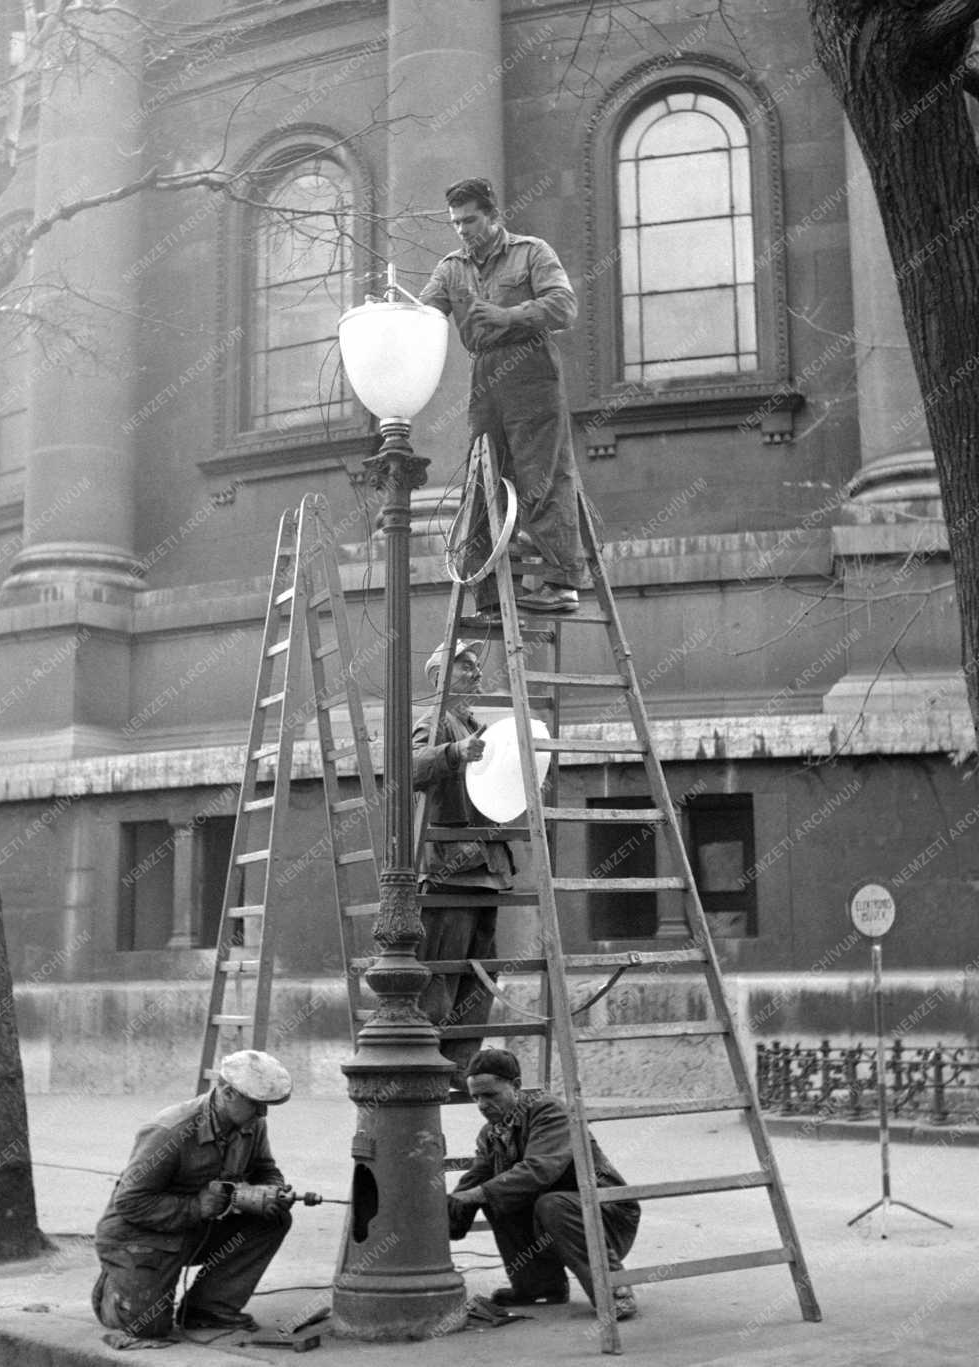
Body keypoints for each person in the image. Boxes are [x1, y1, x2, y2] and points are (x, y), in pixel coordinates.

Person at [420, 176, 587, 616]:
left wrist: (508, 315)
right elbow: (424, 316)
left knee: (542, 471)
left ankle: (562, 581)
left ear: (493, 216)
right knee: (482, 476)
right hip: (486, 374)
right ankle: (490, 592)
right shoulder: (451, 268)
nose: (462, 230)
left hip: (532, 366)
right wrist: (391, 309)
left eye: (470, 220)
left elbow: (564, 306)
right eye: (455, 222)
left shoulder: (532, 252)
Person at [92, 1050, 295, 1340]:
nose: (263, 1113)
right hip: (141, 1236)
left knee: (274, 1220)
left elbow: (265, 1169)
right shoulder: (169, 1131)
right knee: (149, 1327)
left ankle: (208, 1310)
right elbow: (129, 1202)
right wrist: (196, 1206)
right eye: (256, 1104)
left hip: (199, 1229)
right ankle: (114, 1288)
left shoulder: (252, 1123)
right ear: (227, 1093)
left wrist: (271, 1191)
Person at [447, 1047, 640, 1322]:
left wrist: (476, 1194)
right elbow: (476, 1179)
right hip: (562, 1219)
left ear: (516, 1086)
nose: (482, 1105)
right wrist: (450, 1211)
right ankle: (540, 1286)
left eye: (490, 1095)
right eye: (476, 1097)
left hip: (608, 1214)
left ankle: (616, 1291)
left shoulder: (548, 1111)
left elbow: (539, 1170)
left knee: (546, 1202)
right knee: (495, 1196)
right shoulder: (490, 1133)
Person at [413, 638, 514, 1090]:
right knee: (444, 968)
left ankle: (460, 1064)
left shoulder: (475, 724)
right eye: (465, 666)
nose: (476, 673)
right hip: (451, 868)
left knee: (481, 970)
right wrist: (454, 753)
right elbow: (409, 768)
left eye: (476, 666)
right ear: (439, 676)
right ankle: (429, 1060)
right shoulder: (432, 722)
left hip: (485, 869)